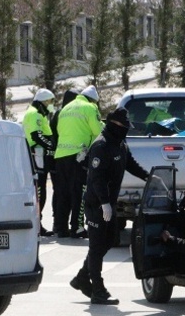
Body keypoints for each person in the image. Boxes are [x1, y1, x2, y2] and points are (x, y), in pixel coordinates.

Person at [69, 108, 149, 305]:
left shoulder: (120, 143)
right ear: (114, 124)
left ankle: (81, 277)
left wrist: (148, 177)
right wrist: (104, 203)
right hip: (97, 203)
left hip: (110, 203)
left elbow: (130, 163)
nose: (125, 130)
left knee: (109, 241)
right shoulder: (101, 146)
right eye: (123, 126)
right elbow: (97, 179)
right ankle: (98, 290)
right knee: (96, 248)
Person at [54, 85, 104, 238]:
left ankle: (61, 228)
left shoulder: (66, 108)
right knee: (79, 193)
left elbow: (59, 131)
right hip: (78, 156)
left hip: (60, 155)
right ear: (93, 100)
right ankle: (77, 227)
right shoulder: (90, 107)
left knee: (63, 193)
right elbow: (98, 131)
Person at [23, 88, 56, 237]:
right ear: (42, 102)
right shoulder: (34, 114)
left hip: (40, 155)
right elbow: (36, 135)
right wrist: (51, 146)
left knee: (41, 190)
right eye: (49, 102)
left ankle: (38, 223)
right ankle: (37, 224)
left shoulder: (37, 114)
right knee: (39, 191)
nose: (51, 105)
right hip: (37, 155)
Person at [48, 88, 80, 234]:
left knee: (60, 193)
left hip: (58, 157)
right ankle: (73, 226)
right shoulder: (73, 113)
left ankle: (59, 226)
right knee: (73, 192)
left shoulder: (58, 114)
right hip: (72, 157)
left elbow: (52, 135)